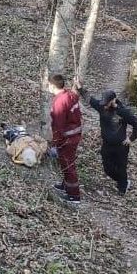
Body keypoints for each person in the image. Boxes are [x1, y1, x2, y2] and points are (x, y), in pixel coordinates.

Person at [75, 80, 137, 195]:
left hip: (121, 146)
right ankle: (122, 181)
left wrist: (131, 138)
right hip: (107, 144)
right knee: (107, 168)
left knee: (121, 167)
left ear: (113, 100)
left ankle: (123, 187)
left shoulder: (123, 112)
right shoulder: (101, 107)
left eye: (107, 103)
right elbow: (90, 99)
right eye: (104, 103)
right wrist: (80, 88)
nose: (105, 105)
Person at [48, 74, 83, 205]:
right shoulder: (69, 94)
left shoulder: (60, 101)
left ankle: (74, 195)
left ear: (52, 86)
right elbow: (75, 94)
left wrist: (55, 143)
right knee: (65, 163)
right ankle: (66, 185)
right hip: (74, 135)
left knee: (68, 165)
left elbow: (58, 125)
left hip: (67, 138)